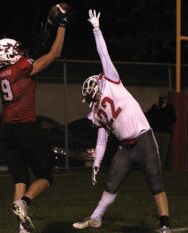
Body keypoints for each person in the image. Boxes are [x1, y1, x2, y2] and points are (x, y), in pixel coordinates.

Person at [72, 10, 171, 233]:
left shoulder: (111, 82)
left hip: (144, 138)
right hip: (125, 148)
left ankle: (165, 225)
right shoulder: (96, 112)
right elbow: (101, 139)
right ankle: (96, 218)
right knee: (111, 185)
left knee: (155, 184)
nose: (93, 97)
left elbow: (103, 54)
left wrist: (96, 29)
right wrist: (96, 163)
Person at [0, 5, 70, 233]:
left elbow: (28, 57)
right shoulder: (22, 68)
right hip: (26, 128)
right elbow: (53, 55)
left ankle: (22, 228)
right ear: (9, 54)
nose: (19, 50)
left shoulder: (2, 73)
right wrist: (62, 26)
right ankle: (24, 203)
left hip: (7, 131)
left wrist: (42, 40)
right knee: (45, 176)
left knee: (20, 180)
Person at [146, 94, 176, 170]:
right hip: (157, 132)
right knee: (156, 151)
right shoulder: (155, 107)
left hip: (166, 132)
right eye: (161, 99)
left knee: (164, 151)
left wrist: (165, 109)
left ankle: (161, 167)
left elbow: (174, 118)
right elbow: (148, 115)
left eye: (163, 99)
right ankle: (155, 166)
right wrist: (155, 108)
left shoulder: (169, 107)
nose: (162, 101)